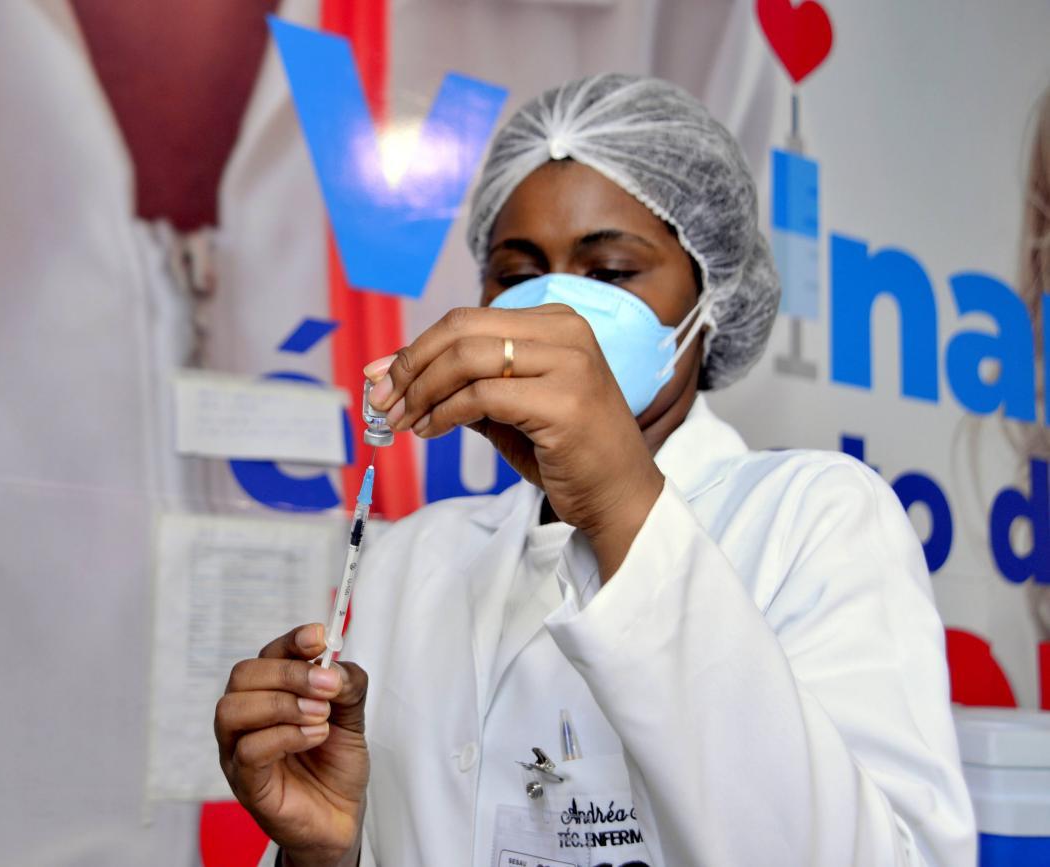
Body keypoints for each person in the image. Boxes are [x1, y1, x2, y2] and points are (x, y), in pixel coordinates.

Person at [215, 74, 975, 866]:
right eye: (517, 275)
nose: (558, 313)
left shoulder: (815, 519)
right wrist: (322, 855)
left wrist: (620, 502)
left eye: (610, 271)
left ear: (711, 297)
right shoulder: (412, 558)